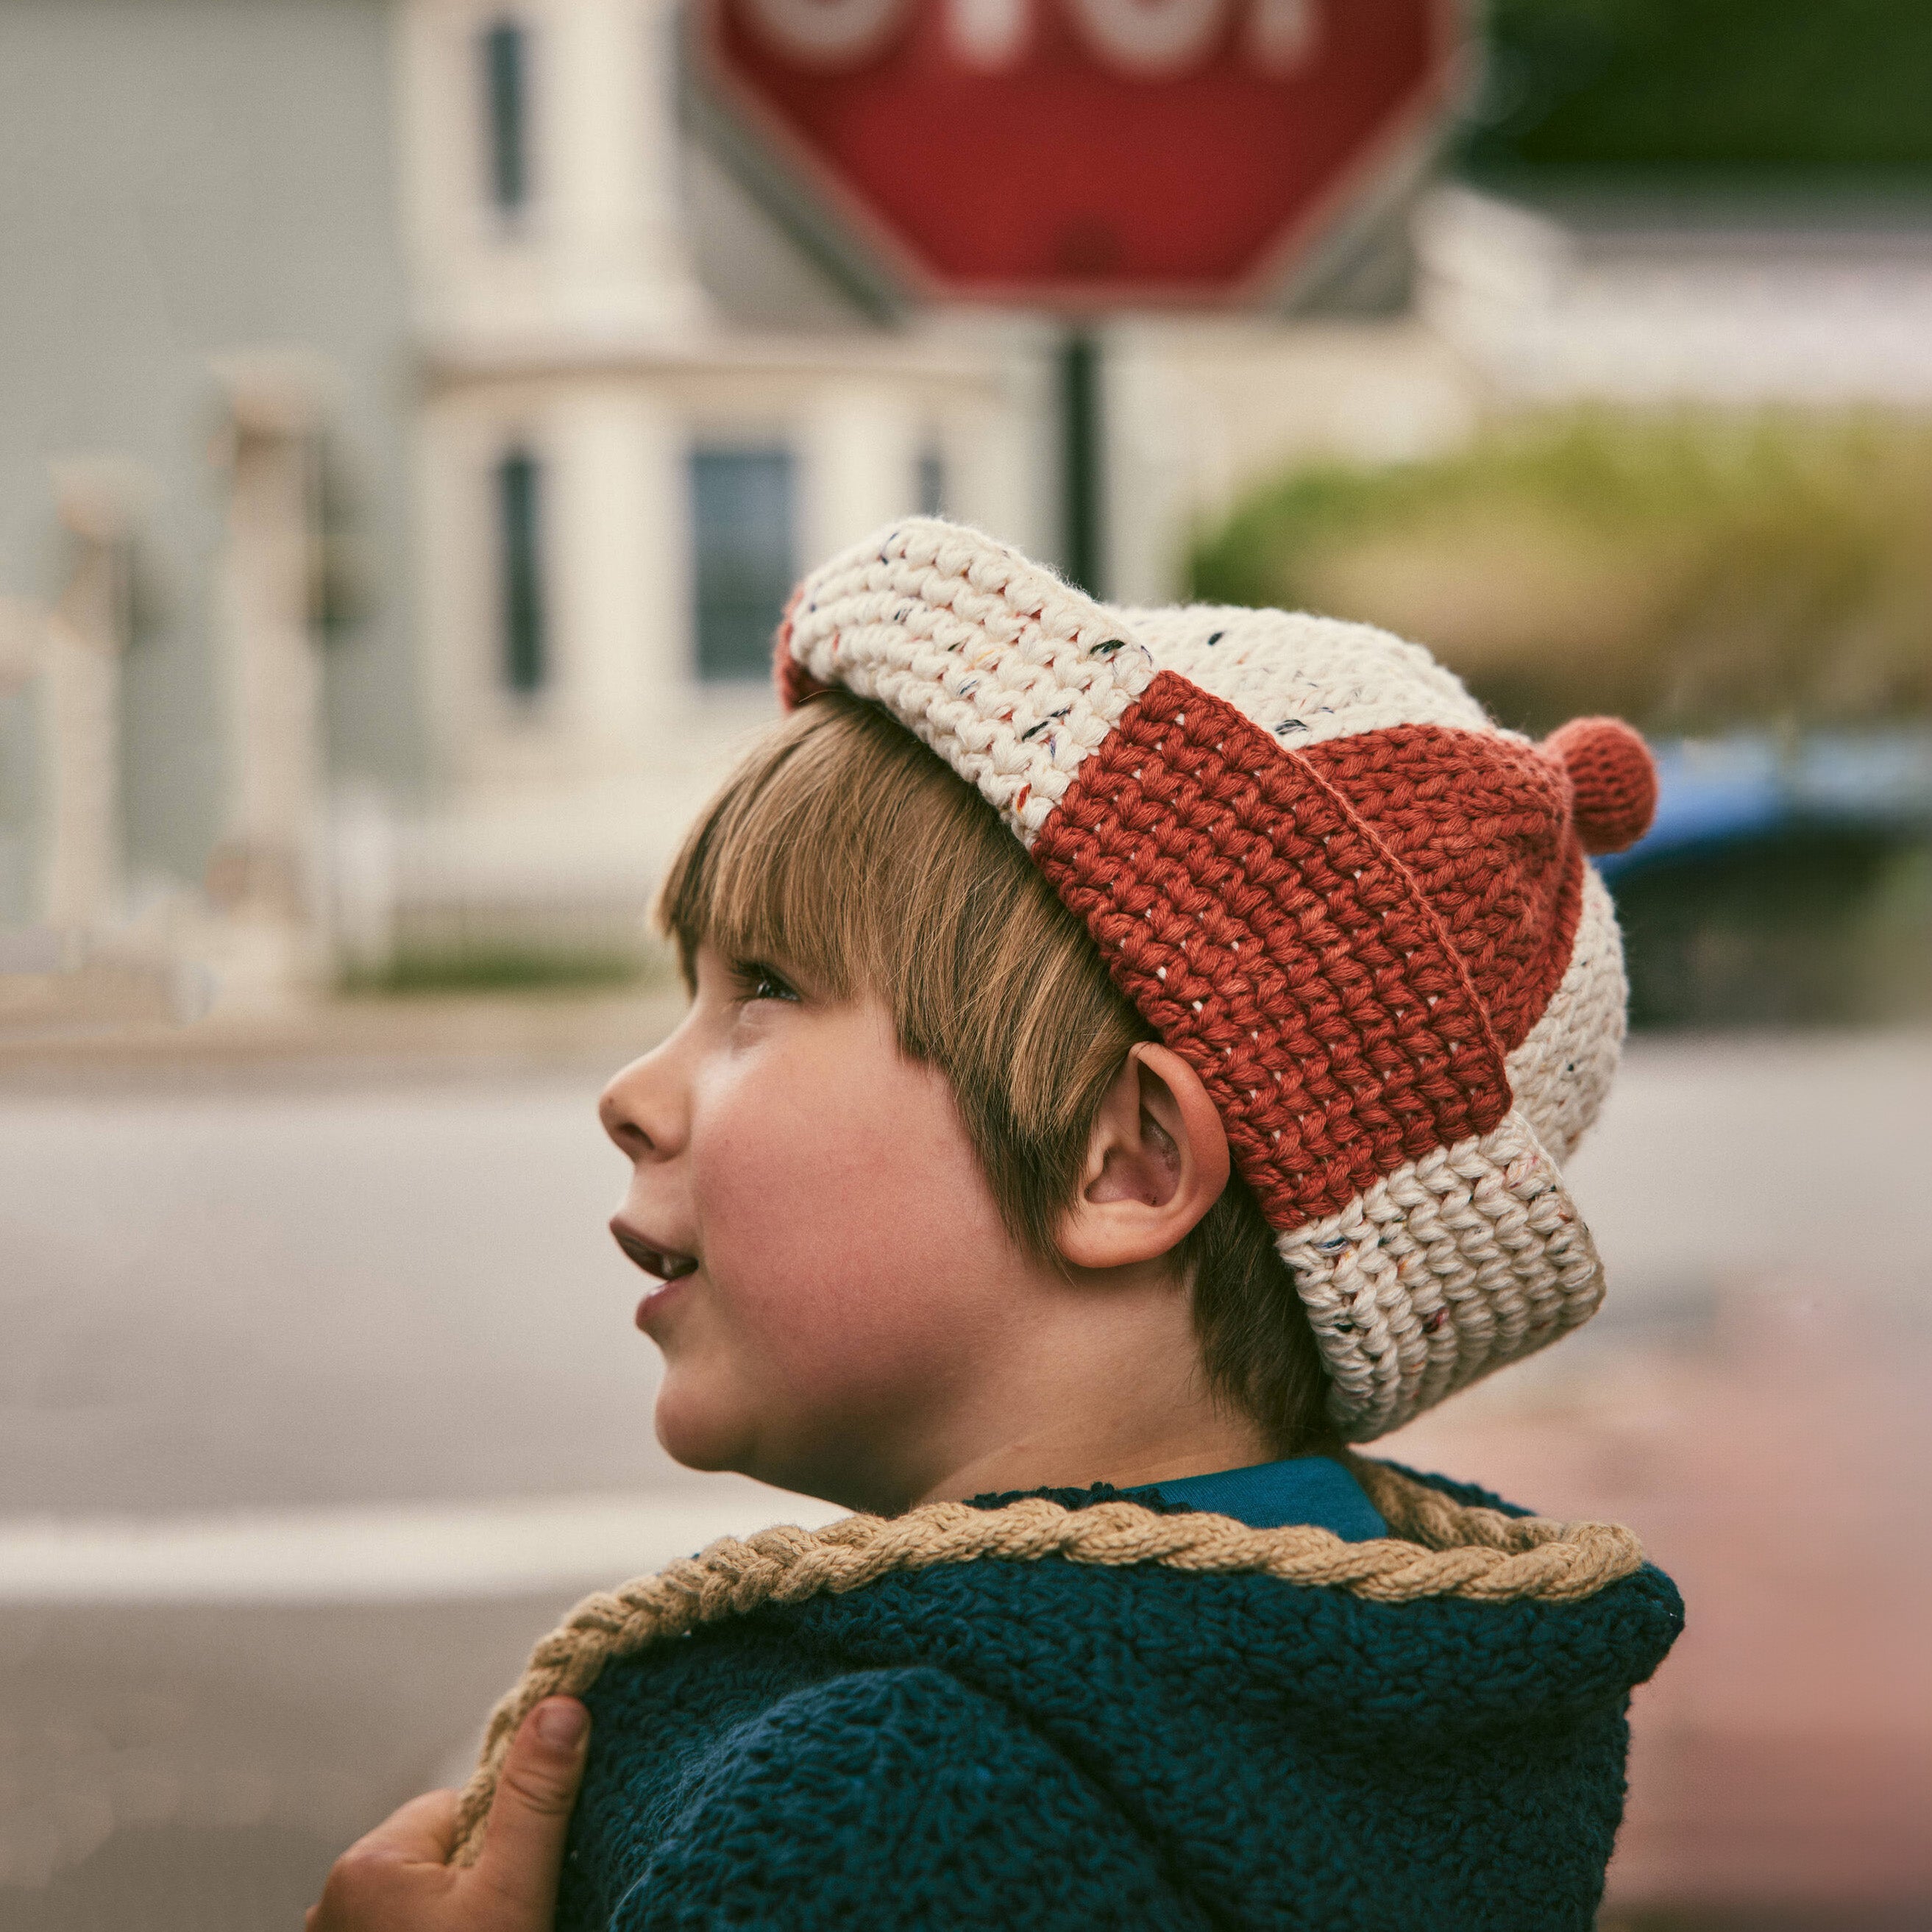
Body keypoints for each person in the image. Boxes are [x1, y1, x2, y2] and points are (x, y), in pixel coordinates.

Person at [310, 518, 1682, 1931]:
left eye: (763, 988)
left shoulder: (883, 1815)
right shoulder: (1436, 1711)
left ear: (1124, 1163)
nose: (633, 1093)